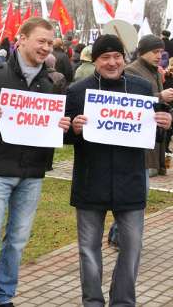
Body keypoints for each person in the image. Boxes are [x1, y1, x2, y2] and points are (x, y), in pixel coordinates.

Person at [0, 17, 71, 307]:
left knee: (18, 241)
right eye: (40, 41)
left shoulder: (52, 83)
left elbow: (56, 128)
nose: (46, 47)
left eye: (49, 42)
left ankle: (3, 297)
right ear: (21, 38)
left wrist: (64, 126)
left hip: (33, 174)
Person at [64, 34, 172, 307]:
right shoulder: (77, 91)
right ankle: (93, 302)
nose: (112, 63)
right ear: (96, 60)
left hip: (130, 182)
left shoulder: (141, 88)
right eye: (105, 58)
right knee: (88, 250)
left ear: (124, 58)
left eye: (117, 57)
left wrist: (164, 124)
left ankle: (123, 302)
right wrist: (74, 130)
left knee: (132, 248)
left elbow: (153, 137)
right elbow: (65, 136)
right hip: (90, 182)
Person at [126, 35, 173, 177]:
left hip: (156, 131)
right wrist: (160, 96)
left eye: (161, 52)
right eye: (155, 51)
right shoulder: (131, 71)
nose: (159, 56)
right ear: (143, 51)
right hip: (139, 132)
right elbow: (131, 101)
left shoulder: (156, 71)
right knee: (141, 178)